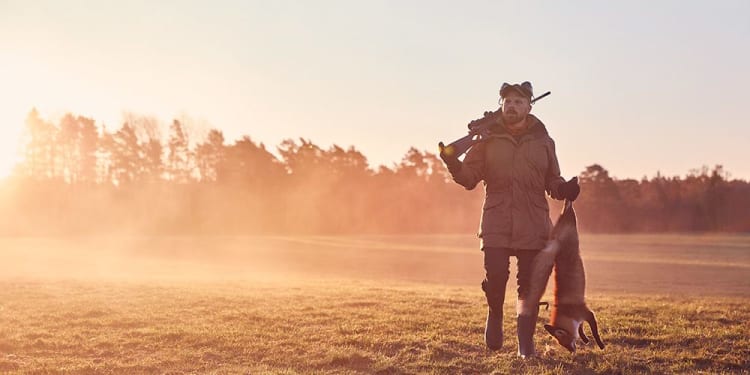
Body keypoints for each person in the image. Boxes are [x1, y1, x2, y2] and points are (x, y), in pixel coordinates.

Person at [440, 81, 579, 358]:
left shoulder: (544, 142)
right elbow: (469, 179)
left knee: (528, 286)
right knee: (496, 277)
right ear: (501, 106)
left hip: (533, 223)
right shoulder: (486, 140)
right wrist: (453, 162)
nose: (512, 106)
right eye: (507, 101)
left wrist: (564, 189)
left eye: (518, 101)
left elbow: (552, 180)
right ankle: (494, 313)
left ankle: (525, 344)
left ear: (529, 106)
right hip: (496, 221)